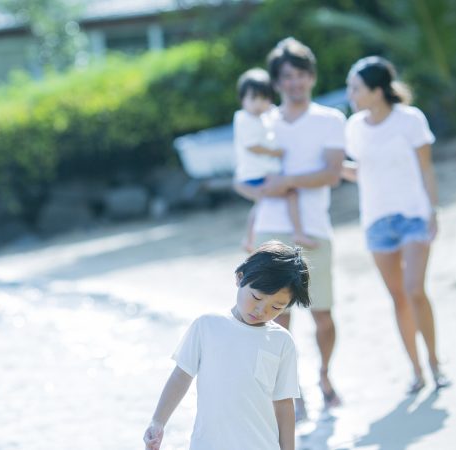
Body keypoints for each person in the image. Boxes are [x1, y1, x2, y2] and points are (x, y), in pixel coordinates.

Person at [234, 37, 345, 415]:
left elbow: (332, 173)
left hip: (314, 229)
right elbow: (243, 175)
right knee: (277, 320)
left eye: (301, 75)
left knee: (323, 315)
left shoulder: (330, 119)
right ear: (276, 82)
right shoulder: (263, 119)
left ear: (311, 77)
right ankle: (290, 392)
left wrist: (286, 182)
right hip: (270, 228)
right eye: (287, 77)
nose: (294, 83)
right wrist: (255, 189)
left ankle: (325, 375)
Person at [342, 56, 450, 393]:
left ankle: (435, 363)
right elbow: (362, 172)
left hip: (413, 215)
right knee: (399, 298)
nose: (350, 94)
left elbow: (426, 168)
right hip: (376, 222)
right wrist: (329, 169)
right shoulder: (354, 128)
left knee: (416, 290)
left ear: (376, 91)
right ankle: (416, 372)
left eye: (355, 88)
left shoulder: (410, 120)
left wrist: (432, 209)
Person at [143, 241, 310, 450]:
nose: (262, 310)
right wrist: (158, 422)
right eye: (256, 297)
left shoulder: (281, 341)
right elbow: (180, 376)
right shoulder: (207, 326)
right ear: (240, 278)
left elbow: (284, 404)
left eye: (276, 307)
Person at [234, 68, 317, 253]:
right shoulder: (244, 119)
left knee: (260, 204)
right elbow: (252, 145)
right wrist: (275, 153)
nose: (258, 104)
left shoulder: (262, 116)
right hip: (257, 175)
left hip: (258, 174)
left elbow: (272, 116)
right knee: (291, 194)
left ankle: (248, 239)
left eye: (263, 99)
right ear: (242, 100)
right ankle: (298, 232)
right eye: (252, 99)